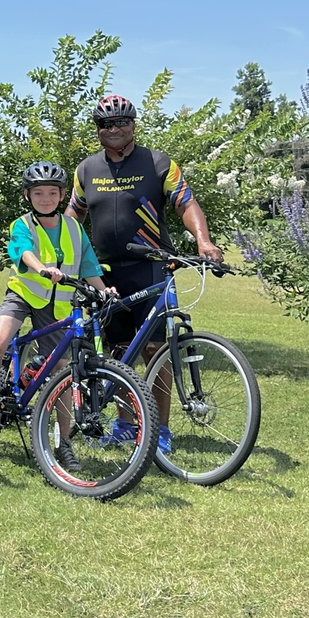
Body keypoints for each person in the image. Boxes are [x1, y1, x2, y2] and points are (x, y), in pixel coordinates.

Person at [65, 94, 223, 453]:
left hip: (151, 268)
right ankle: (125, 423)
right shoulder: (86, 169)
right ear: (98, 130)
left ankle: (160, 431)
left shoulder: (158, 163)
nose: (114, 129)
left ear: (134, 125)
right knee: (118, 354)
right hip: (105, 274)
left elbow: (186, 201)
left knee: (156, 351)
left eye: (121, 122)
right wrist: (64, 253)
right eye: (106, 124)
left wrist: (204, 241)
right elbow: (74, 215)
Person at [0, 161, 115, 473]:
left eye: (51, 193)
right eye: (38, 193)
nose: (45, 198)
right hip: (23, 295)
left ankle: (63, 443)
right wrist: (42, 267)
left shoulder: (74, 228)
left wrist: (105, 289)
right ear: (28, 195)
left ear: (62, 195)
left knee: (61, 371)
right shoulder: (23, 224)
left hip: (55, 305)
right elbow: (24, 251)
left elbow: (88, 265)